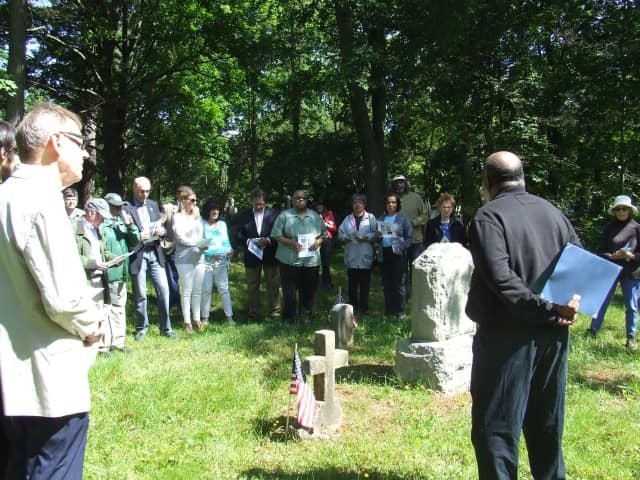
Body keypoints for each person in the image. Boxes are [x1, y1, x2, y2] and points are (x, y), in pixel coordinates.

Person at [0, 103, 103, 479]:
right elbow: (65, 300)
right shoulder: (42, 201)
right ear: (56, 143)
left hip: (10, 382)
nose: (85, 153)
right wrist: (94, 325)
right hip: (47, 386)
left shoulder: (6, 194)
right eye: (80, 142)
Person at [466, 151, 581, 480]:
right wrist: (567, 306)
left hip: (507, 338)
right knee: (546, 423)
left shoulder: (488, 217)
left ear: (488, 182)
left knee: (496, 429)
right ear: (522, 177)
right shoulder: (554, 213)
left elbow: (501, 279)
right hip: (554, 334)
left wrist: (548, 309)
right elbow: (581, 265)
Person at [123, 176, 178, 340]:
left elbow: (161, 226)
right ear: (134, 188)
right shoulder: (126, 208)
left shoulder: (153, 205)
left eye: (147, 191)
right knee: (140, 294)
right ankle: (141, 327)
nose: (145, 194)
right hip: (138, 254)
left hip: (155, 252)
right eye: (141, 191)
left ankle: (166, 328)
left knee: (164, 291)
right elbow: (124, 233)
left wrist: (162, 232)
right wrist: (137, 235)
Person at [587, 194, 640, 350]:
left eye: (624, 208)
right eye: (618, 209)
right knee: (602, 301)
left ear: (630, 210)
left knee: (632, 306)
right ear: (614, 211)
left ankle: (631, 337)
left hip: (631, 272)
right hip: (610, 269)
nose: (621, 211)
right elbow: (601, 250)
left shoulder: (637, 228)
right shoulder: (609, 228)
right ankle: (592, 330)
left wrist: (629, 255)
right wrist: (612, 256)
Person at [272, 189, 327, 322]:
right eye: (297, 198)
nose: (300, 200)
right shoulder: (284, 216)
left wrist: (318, 241)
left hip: (310, 260)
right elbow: (276, 234)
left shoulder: (314, 216)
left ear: (306, 200)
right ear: (292, 200)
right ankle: (289, 318)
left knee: (308, 289)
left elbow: (324, 234)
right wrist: (290, 242)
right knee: (289, 291)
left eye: (303, 198)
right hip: (289, 260)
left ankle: (305, 315)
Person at [235, 188, 281, 320]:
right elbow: (238, 235)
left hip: (270, 253)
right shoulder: (244, 216)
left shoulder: (274, 214)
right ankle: (253, 312)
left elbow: (280, 233)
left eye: (261, 204)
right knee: (252, 284)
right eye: (256, 204)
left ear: (265, 202)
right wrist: (249, 241)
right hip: (252, 254)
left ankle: (275, 312)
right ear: (251, 202)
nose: (258, 206)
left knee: (273, 283)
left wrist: (268, 240)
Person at [73, 198, 111, 356]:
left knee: (100, 311)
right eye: (101, 216)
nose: (103, 220)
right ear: (91, 212)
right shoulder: (74, 228)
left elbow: (103, 251)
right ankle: (84, 345)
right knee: (86, 313)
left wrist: (115, 258)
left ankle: (100, 346)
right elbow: (70, 256)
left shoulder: (98, 229)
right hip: (82, 278)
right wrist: (91, 263)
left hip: (99, 276)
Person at [103, 192, 140, 353]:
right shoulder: (101, 224)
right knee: (106, 309)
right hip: (107, 272)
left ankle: (118, 342)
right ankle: (103, 345)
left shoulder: (121, 223)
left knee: (119, 307)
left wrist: (130, 225)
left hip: (121, 271)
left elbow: (136, 241)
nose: (119, 209)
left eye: (120, 207)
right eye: (115, 207)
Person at [172, 187, 207, 333]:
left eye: (196, 200)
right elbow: (179, 237)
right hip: (184, 257)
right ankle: (187, 322)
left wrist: (204, 243)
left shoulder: (197, 216)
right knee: (187, 289)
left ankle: (196, 318)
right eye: (192, 200)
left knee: (198, 290)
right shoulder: (177, 217)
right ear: (184, 201)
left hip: (199, 256)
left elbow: (201, 234)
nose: (195, 203)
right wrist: (196, 243)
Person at [391, 174, 429, 300]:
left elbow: (425, 216)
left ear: (406, 184)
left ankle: (419, 296)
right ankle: (405, 297)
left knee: (417, 270)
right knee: (401, 272)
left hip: (416, 240)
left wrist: (413, 222)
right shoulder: (392, 199)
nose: (399, 185)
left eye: (401, 182)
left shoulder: (416, 197)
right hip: (399, 241)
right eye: (396, 183)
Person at [338, 193, 377, 314]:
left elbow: (376, 233)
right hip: (352, 255)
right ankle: (353, 308)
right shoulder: (347, 219)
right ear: (352, 205)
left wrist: (367, 237)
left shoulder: (371, 217)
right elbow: (340, 233)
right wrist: (345, 237)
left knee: (365, 284)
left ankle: (364, 308)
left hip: (365, 255)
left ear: (364, 204)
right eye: (355, 202)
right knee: (352, 285)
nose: (357, 204)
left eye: (360, 202)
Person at [375, 193, 413, 320]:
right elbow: (377, 240)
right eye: (388, 202)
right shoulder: (381, 219)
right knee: (387, 283)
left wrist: (402, 248)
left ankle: (401, 312)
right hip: (384, 253)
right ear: (385, 205)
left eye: (393, 202)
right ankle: (389, 311)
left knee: (399, 284)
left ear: (397, 205)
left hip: (398, 254)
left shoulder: (403, 218)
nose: (391, 205)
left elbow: (409, 238)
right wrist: (378, 236)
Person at [201, 197, 235, 325]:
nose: (215, 211)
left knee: (224, 289)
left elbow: (226, 242)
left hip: (222, 261)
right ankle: (205, 318)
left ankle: (230, 317)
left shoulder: (222, 224)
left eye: (217, 209)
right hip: (206, 262)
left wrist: (230, 250)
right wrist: (211, 254)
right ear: (207, 210)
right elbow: (200, 245)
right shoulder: (202, 224)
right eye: (213, 209)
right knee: (206, 289)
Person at [162, 185, 190, 310]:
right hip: (172, 248)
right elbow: (158, 225)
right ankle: (174, 302)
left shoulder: (193, 209)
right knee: (172, 276)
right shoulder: (168, 208)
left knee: (188, 277)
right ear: (177, 195)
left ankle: (188, 302)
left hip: (188, 249)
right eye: (183, 196)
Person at [313, 200, 338, 288]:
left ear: (324, 206)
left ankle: (326, 283)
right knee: (314, 263)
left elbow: (334, 229)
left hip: (327, 240)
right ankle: (315, 283)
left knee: (326, 263)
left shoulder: (329, 214)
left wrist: (325, 224)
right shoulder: (312, 215)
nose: (319, 207)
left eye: (321, 205)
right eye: (317, 206)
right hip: (315, 240)